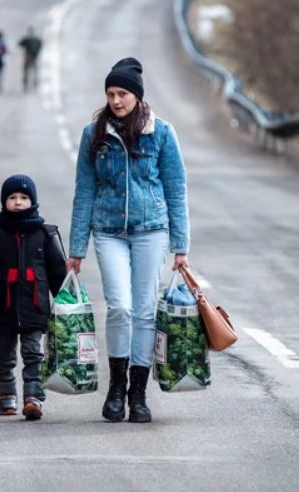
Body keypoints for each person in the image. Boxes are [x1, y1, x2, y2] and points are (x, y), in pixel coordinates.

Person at [67, 58, 190, 424]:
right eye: (110, 93)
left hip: (152, 229)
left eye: (122, 93)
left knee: (145, 310)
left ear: (136, 95)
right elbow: (84, 191)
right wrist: (76, 249)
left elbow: (176, 189)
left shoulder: (162, 133)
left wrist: (181, 246)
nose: (116, 100)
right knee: (119, 307)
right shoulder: (94, 134)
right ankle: (116, 389)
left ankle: (139, 394)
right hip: (108, 232)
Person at [0, 174, 67, 420]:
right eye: (12, 197)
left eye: (24, 197)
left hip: (35, 306)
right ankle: (6, 394)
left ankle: (33, 397)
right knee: (5, 354)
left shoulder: (44, 233)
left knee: (33, 353)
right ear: (4, 202)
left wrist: (64, 300)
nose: (18, 202)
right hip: (4, 307)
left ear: (33, 201)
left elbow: (57, 272)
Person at [17, 26, 43, 92]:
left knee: (26, 71)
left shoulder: (27, 38)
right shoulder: (37, 39)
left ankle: (25, 84)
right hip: (34, 56)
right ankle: (35, 82)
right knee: (35, 70)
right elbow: (41, 44)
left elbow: (19, 44)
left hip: (28, 56)